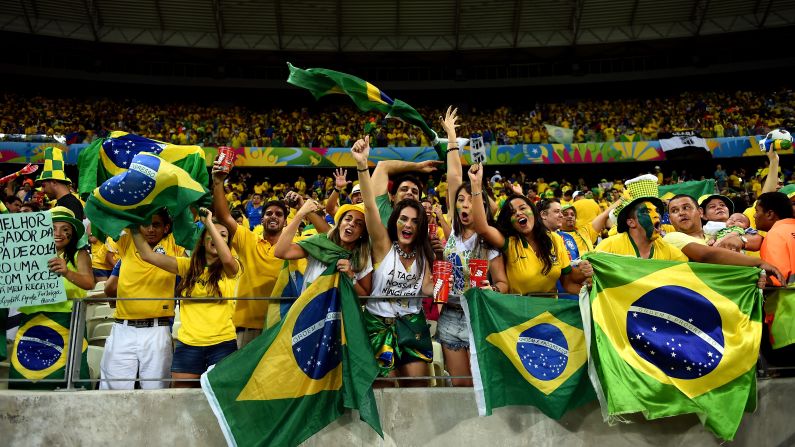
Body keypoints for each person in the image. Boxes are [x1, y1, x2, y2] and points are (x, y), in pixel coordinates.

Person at [352, 136, 435, 386]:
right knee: (384, 393)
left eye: (414, 221)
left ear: (420, 226)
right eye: (403, 219)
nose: (407, 224)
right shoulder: (383, 244)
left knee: (418, 392)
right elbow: (369, 207)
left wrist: (452, 287)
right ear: (394, 220)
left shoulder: (424, 253)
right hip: (378, 326)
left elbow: (430, 288)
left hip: (413, 325)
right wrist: (362, 165)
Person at [436, 107, 509, 387]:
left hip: (479, 314)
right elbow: (454, 176)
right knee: (460, 387)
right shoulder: (452, 227)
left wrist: (493, 289)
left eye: (470, 200)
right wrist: (452, 137)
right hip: (450, 316)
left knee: (483, 385)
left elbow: (503, 283)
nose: (464, 204)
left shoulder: (488, 239)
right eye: (460, 200)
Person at [131, 208, 241, 387]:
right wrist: (133, 225)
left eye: (223, 235)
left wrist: (210, 225)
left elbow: (227, 259)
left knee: (221, 396)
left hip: (222, 343)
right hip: (188, 344)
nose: (217, 238)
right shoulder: (187, 266)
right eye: (212, 234)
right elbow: (148, 255)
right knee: (181, 399)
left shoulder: (232, 267)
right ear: (203, 240)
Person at [469, 165, 590, 296]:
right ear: (510, 221)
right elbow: (482, 228)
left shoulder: (555, 240)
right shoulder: (509, 243)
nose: (519, 214)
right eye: (512, 212)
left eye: (522, 208)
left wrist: (589, 284)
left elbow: (568, 284)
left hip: (550, 313)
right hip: (519, 313)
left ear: (533, 212)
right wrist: (476, 185)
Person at [99, 208, 186, 390]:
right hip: (123, 329)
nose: (151, 229)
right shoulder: (127, 240)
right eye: (146, 224)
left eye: (156, 225)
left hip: (157, 329)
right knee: (113, 394)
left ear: (166, 227)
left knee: (157, 392)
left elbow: (186, 220)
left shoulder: (175, 244)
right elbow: (106, 219)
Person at [10, 207, 95, 389]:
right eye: (53, 228)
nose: (59, 234)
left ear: (72, 235)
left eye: (66, 229)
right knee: (26, 383)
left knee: (67, 382)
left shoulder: (79, 254)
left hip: (68, 325)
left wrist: (66, 272)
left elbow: (89, 283)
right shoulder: (25, 253)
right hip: (30, 324)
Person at [274, 198, 373, 297]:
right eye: (348, 219)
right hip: (310, 310)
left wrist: (351, 276)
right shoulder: (319, 243)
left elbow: (364, 298)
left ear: (362, 233)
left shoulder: (362, 257)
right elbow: (280, 252)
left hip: (341, 312)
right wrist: (300, 214)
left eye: (359, 224)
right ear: (339, 224)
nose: (351, 224)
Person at [596, 175, 687, 261]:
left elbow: (689, 272)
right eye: (646, 211)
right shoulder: (609, 247)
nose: (656, 215)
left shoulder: (669, 251)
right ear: (631, 222)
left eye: (657, 211)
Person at [36, 147, 84, 221]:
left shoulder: (69, 204)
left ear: (54, 182)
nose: (42, 191)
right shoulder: (63, 203)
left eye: (43, 186)